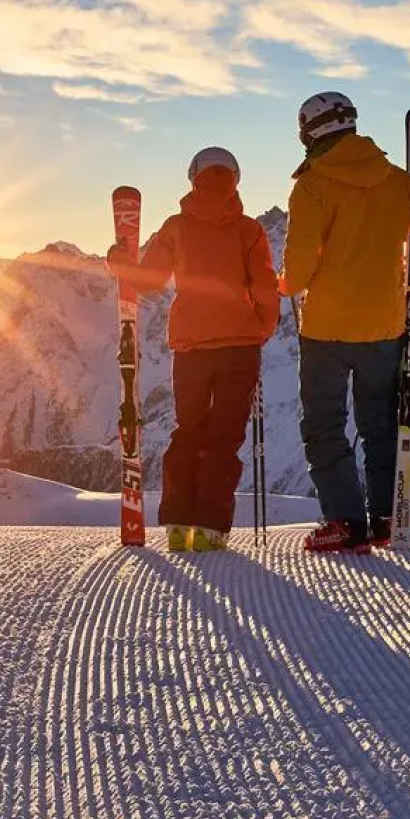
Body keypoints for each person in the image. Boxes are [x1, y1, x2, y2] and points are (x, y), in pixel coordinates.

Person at [280, 91, 410, 553]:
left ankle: (344, 522)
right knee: (380, 423)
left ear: (308, 132)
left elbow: (299, 268)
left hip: (325, 329)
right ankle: (385, 517)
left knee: (324, 424)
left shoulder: (311, 185)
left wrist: (284, 284)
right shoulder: (397, 181)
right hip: (383, 323)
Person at [107, 147, 279, 552]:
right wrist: (261, 329)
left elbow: (148, 281)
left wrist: (118, 262)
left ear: (193, 177)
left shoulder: (176, 227)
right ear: (235, 179)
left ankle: (177, 524)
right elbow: (265, 286)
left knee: (188, 432)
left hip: (191, 349)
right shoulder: (249, 231)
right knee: (224, 438)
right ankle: (209, 530)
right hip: (240, 349)